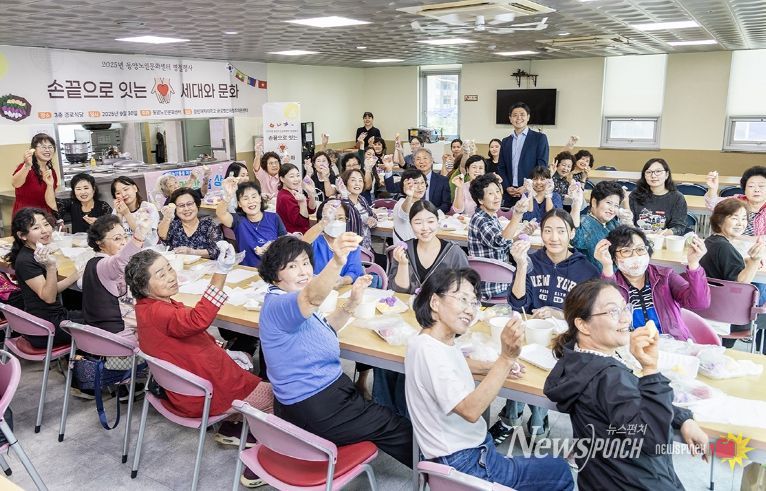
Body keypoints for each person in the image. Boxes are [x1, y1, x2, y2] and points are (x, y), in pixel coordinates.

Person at [405, 268, 574, 491]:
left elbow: (453, 365)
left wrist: (494, 368)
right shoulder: (431, 352)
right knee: (561, 471)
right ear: (435, 302)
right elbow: (471, 410)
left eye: (473, 302)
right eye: (462, 299)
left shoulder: (426, 341)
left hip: (455, 456)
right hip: (467, 462)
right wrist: (505, 358)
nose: (470, 310)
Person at [258, 235, 413, 467]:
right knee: (397, 426)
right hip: (315, 405)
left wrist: (352, 302)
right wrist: (338, 261)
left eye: (305, 263)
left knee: (379, 413)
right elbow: (312, 297)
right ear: (274, 275)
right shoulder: (280, 305)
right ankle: (444, 474)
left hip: (317, 397)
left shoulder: (288, 301)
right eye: (291, 266)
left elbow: (325, 327)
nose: (303, 271)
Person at [126, 246, 272, 487]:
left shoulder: (146, 308)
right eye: (161, 274)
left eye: (169, 268)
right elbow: (197, 320)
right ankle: (266, 461)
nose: (171, 276)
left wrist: (223, 351)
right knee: (282, 399)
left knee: (244, 367)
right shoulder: (160, 311)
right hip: (205, 395)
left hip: (186, 391)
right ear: (143, 287)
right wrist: (221, 272)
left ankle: (233, 429)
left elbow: (185, 331)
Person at [544, 279, 709, 490]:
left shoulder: (579, 362)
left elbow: (635, 403)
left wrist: (682, 418)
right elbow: (654, 440)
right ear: (583, 325)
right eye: (613, 311)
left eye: (624, 308)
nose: (626, 318)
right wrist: (650, 369)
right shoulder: (609, 378)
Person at [487, 210, 599, 444]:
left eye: (561, 231)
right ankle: (519, 417)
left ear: (572, 233)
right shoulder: (533, 261)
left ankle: (524, 415)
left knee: (545, 365)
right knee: (516, 356)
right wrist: (520, 265)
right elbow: (518, 304)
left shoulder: (586, 270)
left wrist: (557, 313)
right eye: (548, 230)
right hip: (530, 334)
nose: (554, 237)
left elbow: (589, 315)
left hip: (565, 339)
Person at [595, 226, 710, 342]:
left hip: (674, 345)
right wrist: (607, 267)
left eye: (640, 249)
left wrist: (694, 263)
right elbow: (605, 316)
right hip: (632, 347)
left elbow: (699, 303)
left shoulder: (665, 276)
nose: (635, 256)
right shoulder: (612, 283)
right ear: (613, 257)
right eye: (626, 251)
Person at [4, 208, 81, 348]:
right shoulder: (26, 260)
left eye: (46, 224)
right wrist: (50, 266)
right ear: (22, 235)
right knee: (101, 323)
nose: (45, 230)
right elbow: (49, 297)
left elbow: (51, 289)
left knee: (94, 314)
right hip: (46, 329)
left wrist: (77, 274)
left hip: (48, 320)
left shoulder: (37, 253)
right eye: (36, 228)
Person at [700, 199, 766, 348]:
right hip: (729, 317)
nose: (740, 223)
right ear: (719, 220)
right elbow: (741, 283)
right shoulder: (725, 248)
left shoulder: (711, 242)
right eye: (734, 218)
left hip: (705, 310)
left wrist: (747, 261)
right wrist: (755, 261)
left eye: (744, 219)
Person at [467, 174, 526, 300]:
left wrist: (522, 234)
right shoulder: (481, 219)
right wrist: (517, 215)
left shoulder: (490, 216)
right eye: (490, 194)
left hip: (499, 280)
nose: (497, 196)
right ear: (480, 200)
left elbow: (504, 243)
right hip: (493, 287)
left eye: (498, 191)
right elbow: (500, 241)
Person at [390, 200, 469, 294]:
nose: (425, 228)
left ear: (438, 222)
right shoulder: (404, 250)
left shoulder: (454, 252)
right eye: (418, 223)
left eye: (430, 221)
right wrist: (403, 265)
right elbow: (399, 292)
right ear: (410, 225)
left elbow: (466, 288)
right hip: (409, 303)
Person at [217, 179, 286, 267]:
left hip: (273, 268)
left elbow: (284, 243)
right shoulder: (238, 220)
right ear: (239, 204)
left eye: (254, 197)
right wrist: (228, 196)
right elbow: (221, 213)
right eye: (245, 198)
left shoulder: (274, 217)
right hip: (248, 270)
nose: (251, 201)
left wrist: (271, 246)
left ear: (260, 198)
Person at [302, 199, 364, 287]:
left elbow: (354, 271)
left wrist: (342, 280)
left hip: (341, 290)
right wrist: (325, 221)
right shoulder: (315, 241)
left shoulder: (350, 243)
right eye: (332, 218)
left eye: (341, 218)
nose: (336, 222)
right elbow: (303, 244)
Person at [498, 102, 550, 207]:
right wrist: (507, 186)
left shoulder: (539, 138)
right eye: (515, 115)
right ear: (510, 118)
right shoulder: (506, 141)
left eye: (522, 114)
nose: (518, 118)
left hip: (531, 192)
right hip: (509, 193)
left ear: (528, 117)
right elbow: (501, 167)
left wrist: (527, 186)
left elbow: (542, 166)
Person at [573, 180, 632, 270]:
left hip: (617, 273)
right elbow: (574, 237)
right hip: (594, 276)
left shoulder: (613, 223)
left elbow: (630, 242)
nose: (612, 209)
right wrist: (576, 205)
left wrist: (627, 220)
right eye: (609, 203)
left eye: (616, 205)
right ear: (594, 202)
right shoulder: (584, 222)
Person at [158, 188, 222, 259]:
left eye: (189, 204)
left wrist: (192, 252)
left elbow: (217, 251)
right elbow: (162, 236)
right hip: (178, 264)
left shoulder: (208, 224)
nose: (186, 209)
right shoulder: (173, 225)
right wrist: (167, 217)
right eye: (181, 205)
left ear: (197, 205)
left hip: (206, 265)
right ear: (175, 209)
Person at [629, 159, 688, 235]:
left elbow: (679, 226)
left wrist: (662, 234)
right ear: (644, 175)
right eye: (648, 172)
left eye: (658, 171)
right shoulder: (635, 194)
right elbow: (629, 223)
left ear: (667, 174)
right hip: (639, 238)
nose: (653, 176)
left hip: (664, 239)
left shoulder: (677, 198)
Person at [705, 166, 766, 236]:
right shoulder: (736, 201)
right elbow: (713, 204)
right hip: (728, 242)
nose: (757, 190)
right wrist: (713, 189)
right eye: (751, 186)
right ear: (745, 189)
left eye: (761, 186)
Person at [387, 148, 451, 213]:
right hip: (412, 215)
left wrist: (432, 213)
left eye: (425, 158)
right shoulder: (410, 178)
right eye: (418, 159)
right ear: (414, 162)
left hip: (434, 215)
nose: (421, 162)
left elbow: (446, 204)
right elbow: (391, 188)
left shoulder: (442, 180)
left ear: (432, 160)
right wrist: (388, 169)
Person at [12, 133, 58, 216]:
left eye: (50, 147)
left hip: (45, 215)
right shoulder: (25, 167)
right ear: (34, 150)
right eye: (43, 147)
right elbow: (15, 184)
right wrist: (27, 165)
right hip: (26, 215)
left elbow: (51, 199)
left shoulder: (51, 171)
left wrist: (58, 218)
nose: (47, 150)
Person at [111, 176, 160, 246]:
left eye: (126, 189)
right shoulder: (116, 210)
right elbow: (114, 236)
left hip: (146, 249)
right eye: (118, 193)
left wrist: (127, 213)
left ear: (135, 188)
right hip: (124, 250)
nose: (123, 194)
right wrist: (119, 214)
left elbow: (143, 237)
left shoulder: (148, 208)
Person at [339, 168, 376, 250]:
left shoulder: (362, 199)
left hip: (367, 249)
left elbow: (372, 214)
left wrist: (373, 220)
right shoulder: (341, 203)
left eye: (360, 180)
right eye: (353, 180)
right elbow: (350, 214)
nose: (357, 184)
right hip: (351, 250)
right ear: (345, 183)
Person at [276, 163, 317, 235]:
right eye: (291, 176)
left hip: (302, 234)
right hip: (294, 237)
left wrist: (311, 194)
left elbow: (311, 210)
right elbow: (302, 223)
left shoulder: (293, 192)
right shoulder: (285, 197)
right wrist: (303, 202)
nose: (296, 179)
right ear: (282, 179)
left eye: (298, 175)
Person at [392, 169, 428, 245]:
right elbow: (404, 214)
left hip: (418, 246)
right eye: (415, 183)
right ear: (405, 186)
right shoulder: (401, 203)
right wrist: (409, 196)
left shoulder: (421, 204)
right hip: (405, 250)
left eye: (422, 182)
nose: (420, 187)